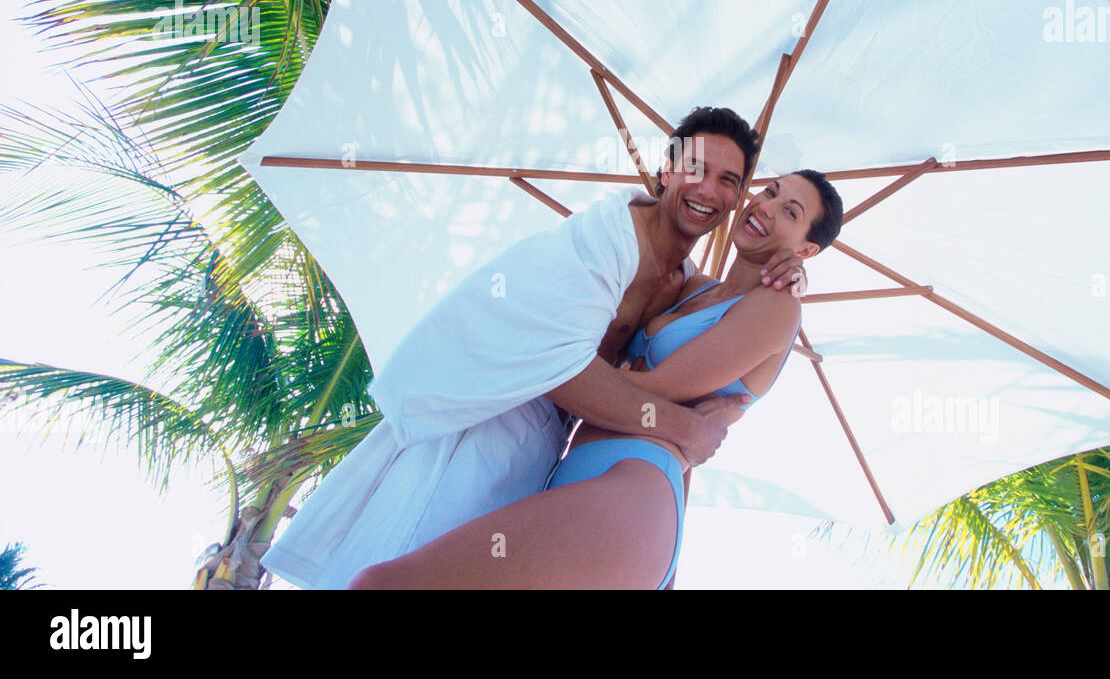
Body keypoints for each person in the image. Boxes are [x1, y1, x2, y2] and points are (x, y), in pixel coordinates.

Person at [260, 107, 809, 588]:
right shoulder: (598, 241)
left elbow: (729, 340)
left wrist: (792, 269)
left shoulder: (688, 284)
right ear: (667, 169)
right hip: (486, 423)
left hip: (550, 458)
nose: (708, 189)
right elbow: (557, 369)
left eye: (729, 179)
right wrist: (684, 426)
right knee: (402, 566)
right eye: (696, 168)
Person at [347, 168, 844, 589]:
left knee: (384, 585)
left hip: (633, 490)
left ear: (808, 250)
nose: (767, 206)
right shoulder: (693, 287)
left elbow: (658, 390)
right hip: (574, 470)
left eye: (791, 213)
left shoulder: (777, 307)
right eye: (772, 190)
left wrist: (545, 361)